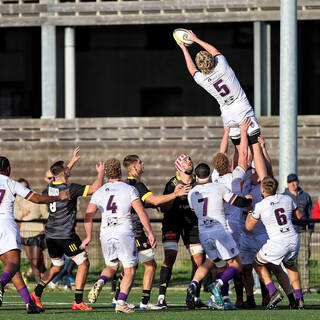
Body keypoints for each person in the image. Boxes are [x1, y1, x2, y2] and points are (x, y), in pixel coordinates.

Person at [88, 154, 189, 310]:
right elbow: (152, 202)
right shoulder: (134, 186)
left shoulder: (109, 189)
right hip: (132, 231)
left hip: (109, 232)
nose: (143, 164)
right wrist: (175, 194)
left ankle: (114, 295)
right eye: (140, 162)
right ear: (133, 168)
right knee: (149, 265)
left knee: (120, 266)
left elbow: (146, 204)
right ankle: (144, 302)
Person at [175, 29, 267, 182]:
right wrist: (196, 39)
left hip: (228, 116)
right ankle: (265, 186)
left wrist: (184, 49)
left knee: (238, 150)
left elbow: (192, 70)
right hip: (242, 109)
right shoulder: (222, 66)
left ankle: (238, 182)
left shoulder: (202, 80)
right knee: (255, 148)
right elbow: (214, 50)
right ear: (213, 60)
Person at [81, 158, 156, 314]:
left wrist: (88, 236)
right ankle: (121, 301)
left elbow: (88, 215)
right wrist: (149, 232)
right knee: (129, 270)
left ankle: (101, 281)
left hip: (106, 233)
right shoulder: (129, 189)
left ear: (107, 173)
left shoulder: (99, 191)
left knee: (112, 266)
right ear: (121, 172)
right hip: (124, 232)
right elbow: (141, 212)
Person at [30, 159, 106, 311]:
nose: (69, 169)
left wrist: (72, 161)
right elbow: (95, 189)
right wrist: (101, 173)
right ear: (65, 172)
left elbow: (59, 174)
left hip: (50, 235)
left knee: (57, 266)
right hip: (65, 235)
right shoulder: (71, 188)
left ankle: (36, 294)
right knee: (83, 263)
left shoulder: (49, 188)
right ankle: (78, 301)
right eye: (67, 168)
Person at [0, 156, 68, 314]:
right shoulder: (10, 183)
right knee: (14, 263)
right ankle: (1, 283)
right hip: (6, 225)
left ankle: (30, 303)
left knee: (11, 268)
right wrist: (59, 197)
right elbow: (36, 198)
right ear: (8, 169)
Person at [186, 162, 253, 310]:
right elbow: (238, 202)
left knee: (217, 264)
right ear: (210, 175)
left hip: (203, 232)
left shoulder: (192, 193)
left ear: (196, 177)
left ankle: (198, 287)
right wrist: (248, 200)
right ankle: (217, 285)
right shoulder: (218, 187)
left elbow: (194, 209)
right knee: (237, 264)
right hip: (219, 231)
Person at [246, 176, 304, 310]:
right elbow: (299, 216)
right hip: (293, 238)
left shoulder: (261, 205)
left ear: (262, 189)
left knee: (256, 263)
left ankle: (273, 292)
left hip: (278, 241)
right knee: (287, 266)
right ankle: (297, 299)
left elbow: (249, 226)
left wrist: (250, 209)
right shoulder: (287, 198)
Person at [157, 154, 205, 309]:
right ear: (178, 165)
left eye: (190, 159)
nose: (189, 161)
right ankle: (161, 296)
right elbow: (163, 208)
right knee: (170, 257)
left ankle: (193, 296)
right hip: (172, 223)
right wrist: (175, 195)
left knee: (198, 260)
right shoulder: (172, 184)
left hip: (192, 225)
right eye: (185, 160)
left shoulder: (198, 184)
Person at [283, 173, 314, 295]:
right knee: (289, 261)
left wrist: (310, 231)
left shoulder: (306, 196)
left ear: (298, 182)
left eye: (295, 181)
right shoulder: (284, 196)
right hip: (289, 232)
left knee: (304, 260)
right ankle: (291, 286)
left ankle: (306, 287)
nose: (293, 184)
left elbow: (310, 215)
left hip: (302, 232)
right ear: (287, 183)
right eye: (290, 182)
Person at [14, 178, 49, 283]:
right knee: (32, 261)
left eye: (25, 187)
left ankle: (42, 281)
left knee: (36, 260)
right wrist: (22, 213)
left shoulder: (36, 197)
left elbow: (45, 214)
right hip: (24, 232)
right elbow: (15, 214)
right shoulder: (17, 199)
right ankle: (39, 281)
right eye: (20, 187)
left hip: (37, 231)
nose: (23, 189)